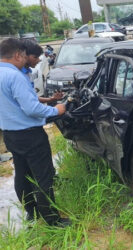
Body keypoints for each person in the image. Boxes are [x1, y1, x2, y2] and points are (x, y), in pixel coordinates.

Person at [0, 38, 69, 227]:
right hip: (30, 135)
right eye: (24, 56)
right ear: (17, 55)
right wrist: (57, 110)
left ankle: (32, 212)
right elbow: (31, 109)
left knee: (22, 174)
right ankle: (53, 221)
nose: (26, 60)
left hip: (10, 134)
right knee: (43, 176)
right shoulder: (15, 76)